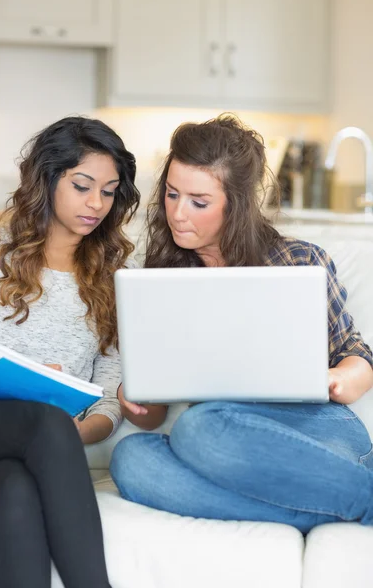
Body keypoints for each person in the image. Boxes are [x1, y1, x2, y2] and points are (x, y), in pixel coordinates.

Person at [111, 114, 373, 535]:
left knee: (198, 427)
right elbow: (153, 413)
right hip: (230, 447)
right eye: (172, 195)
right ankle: (343, 505)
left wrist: (342, 378)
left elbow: (357, 355)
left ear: (236, 203)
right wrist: (134, 398)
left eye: (199, 201)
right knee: (132, 459)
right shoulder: (163, 280)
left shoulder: (298, 260)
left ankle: (356, 493)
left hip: (317, 436)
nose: (178, 213)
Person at [0, 115, 140, 587]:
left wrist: (77, 431)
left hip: (35, 448)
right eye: (82, 185)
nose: (96, 203)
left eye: (109, 192)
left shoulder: (112, 279)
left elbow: (109, 394)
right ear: (46, 179)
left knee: (13, 490)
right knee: (41, 421)